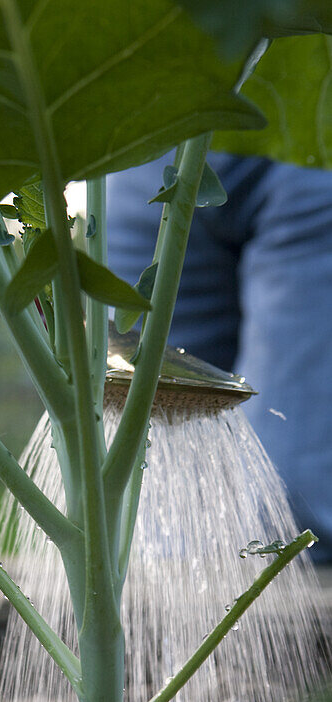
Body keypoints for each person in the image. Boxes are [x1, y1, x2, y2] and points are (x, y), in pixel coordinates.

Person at [106, 153, 332, 563]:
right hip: (147, 145)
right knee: (146, 518)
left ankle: (295, 625)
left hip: (313, 133)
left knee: (292, 512)